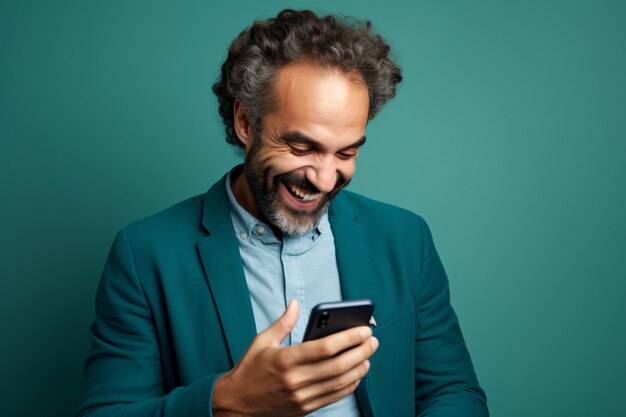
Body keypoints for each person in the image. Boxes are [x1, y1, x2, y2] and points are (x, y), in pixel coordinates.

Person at [77, 9, 488, 417]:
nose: (326, 179)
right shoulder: (145, 255)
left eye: (346, 152)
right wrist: (227, 401)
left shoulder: (406, 239)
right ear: (245, 121)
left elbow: (454, 392)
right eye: (302, 147)